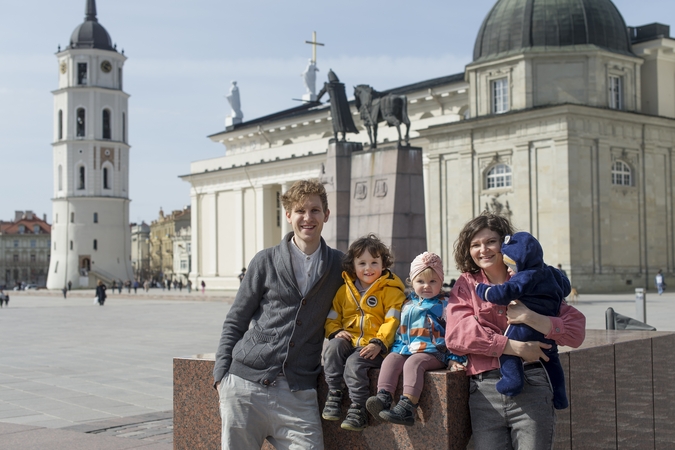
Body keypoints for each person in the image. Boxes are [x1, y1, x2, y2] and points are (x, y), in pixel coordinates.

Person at [213, 179, 344, 449]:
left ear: (326, 215)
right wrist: (221, 377)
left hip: (298, 394)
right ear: (288, 216)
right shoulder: (265, 260)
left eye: (315, 210)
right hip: (244, 387)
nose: (308, 218)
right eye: (300, 211)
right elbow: (236, 320)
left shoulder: (339, 265)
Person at [445, 212, 586, 450]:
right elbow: (458, 334)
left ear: (506, 244)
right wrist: (513, 347)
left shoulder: (536, 277)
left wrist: (534, 319)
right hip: (484, 392)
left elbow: (576, 331)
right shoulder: (468, 284)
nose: (483, 250)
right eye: (475, 245)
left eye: (491, 241)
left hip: (533, 385)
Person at [366, 252, 466, 426]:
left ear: (441, 281)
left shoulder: (446, 304)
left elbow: (456, 333)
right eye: (420, 281)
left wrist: (453, 359)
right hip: (408, 347)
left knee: (414, 363)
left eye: (432, 281)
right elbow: (402, 332)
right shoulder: (408, 304)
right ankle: (384, 397)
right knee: (391, 359)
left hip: (435, 352)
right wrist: (397, 349)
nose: (426, 286)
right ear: (411, 282)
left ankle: (408, 406)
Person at [474, 231, 570, 409]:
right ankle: (560, 396)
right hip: (547, 331)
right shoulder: (551, 273)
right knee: (552, 361)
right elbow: (566, 287)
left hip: (523, 328)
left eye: (510, 265)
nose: (509, 270)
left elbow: (503, 294)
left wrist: (482, 290)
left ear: (520, 262)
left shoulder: (525, 276)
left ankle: (512, 382)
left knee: (506, 349)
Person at [322, 234, 405, 432]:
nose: (368, 268)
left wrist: (379, 342)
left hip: (374, 347)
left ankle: (358, 408)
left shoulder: (391, 291)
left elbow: (392, 321)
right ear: (353, 266)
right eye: (362, 263)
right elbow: (332, 317)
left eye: (374, 262)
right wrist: (336, 331)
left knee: (354, 363)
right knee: (333, 347)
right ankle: (334, 392)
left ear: (384, 264)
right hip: (349, 341)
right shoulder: (344, 291)